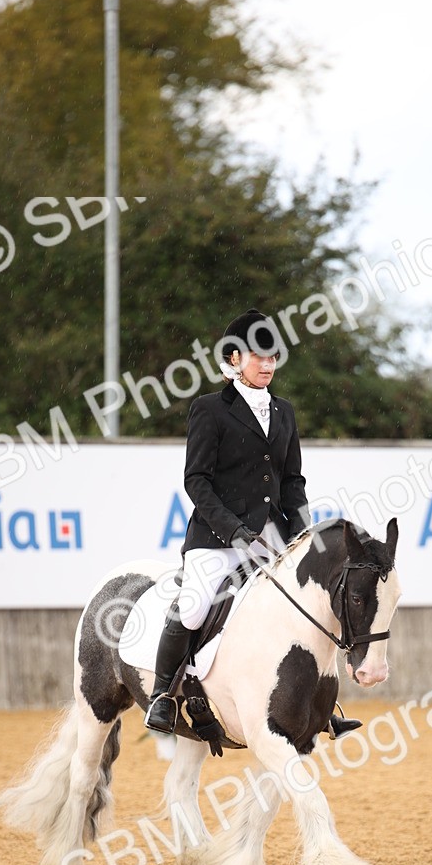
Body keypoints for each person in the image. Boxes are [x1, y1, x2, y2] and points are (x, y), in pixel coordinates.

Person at [144, 308, 361, 741]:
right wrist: (234, 531)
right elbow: (197, 481)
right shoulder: (209, 410)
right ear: (233, 359)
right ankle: (163, 694)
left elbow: (292, 479)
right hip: (216, 537)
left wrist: (302, 531)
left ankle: (323, 701)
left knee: (312, 603)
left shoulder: (283, 412)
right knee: (194, 605)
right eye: (258, 357)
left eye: (273, 357)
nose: (267, 365)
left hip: (275, 536)